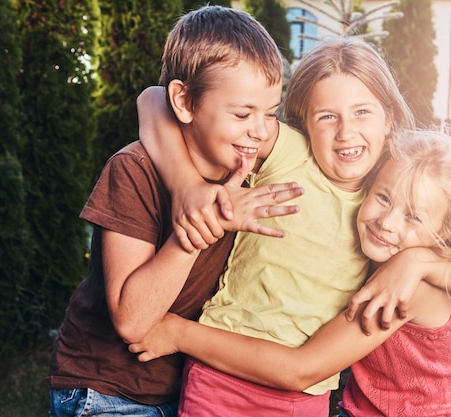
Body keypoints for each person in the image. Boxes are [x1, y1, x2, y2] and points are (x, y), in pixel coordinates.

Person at [136, 36, 451, 416]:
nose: (345, 132)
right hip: (226, 384)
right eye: (328, 116)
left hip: (301, 394)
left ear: (387, 118)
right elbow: (154, 99)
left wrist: (416, 264)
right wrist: (186, 186)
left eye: (362, 112)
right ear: (304, 120)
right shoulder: (300, 158)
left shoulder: (395, 203)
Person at [46, 6, 306, 417]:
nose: (259, 130)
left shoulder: (247, 162)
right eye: (242, 114)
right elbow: (132, 322)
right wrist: (202, 226)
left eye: (270, 113)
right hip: (107, 388)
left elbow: (152, 98)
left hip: (186, 385)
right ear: (184, 102)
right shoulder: (134, 170)